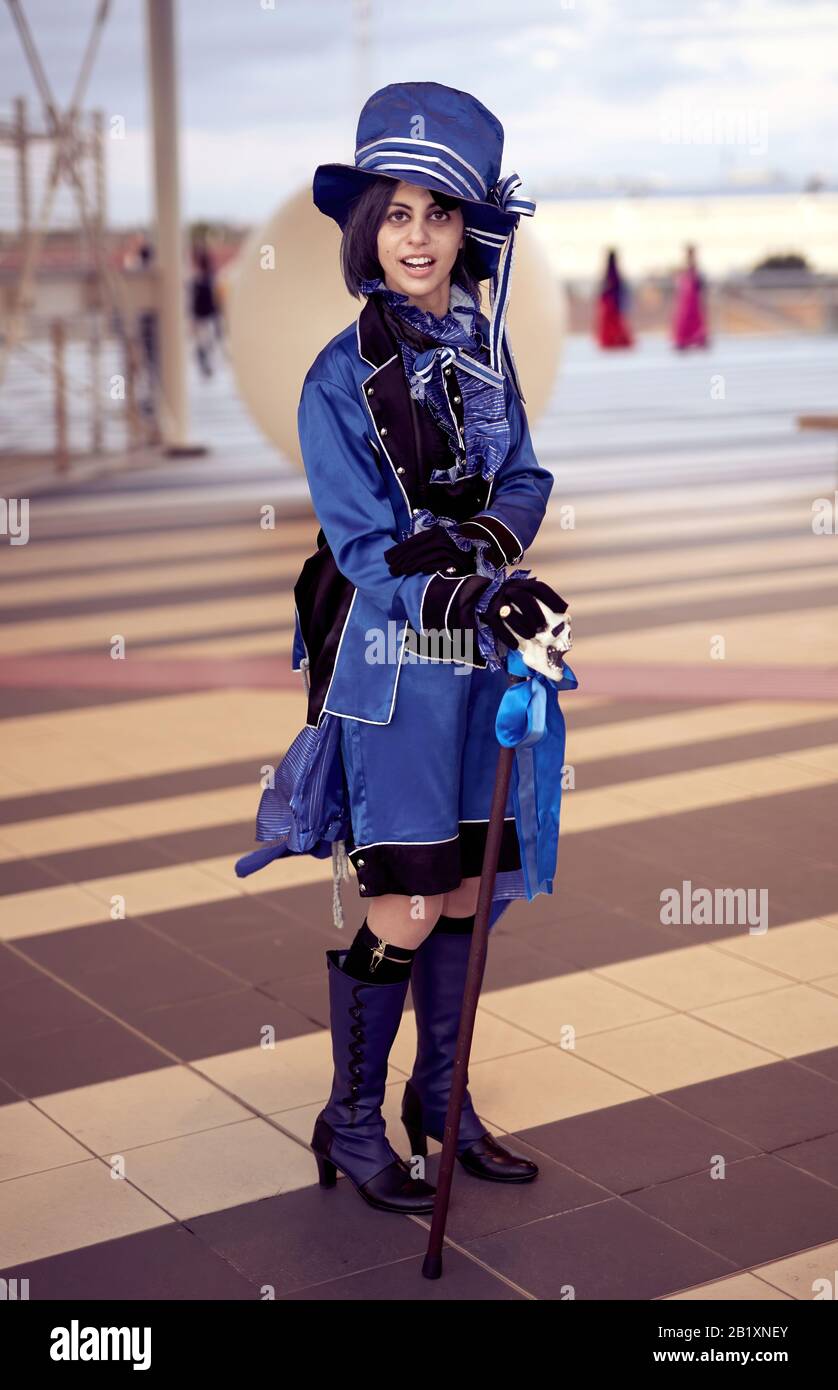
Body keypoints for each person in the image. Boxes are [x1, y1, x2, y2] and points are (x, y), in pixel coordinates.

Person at [236, 81, 577, 1216]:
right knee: (409, 903)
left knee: (476, 896)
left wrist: (494, 557)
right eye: (395, 213)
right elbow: (368, 554)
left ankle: (441, 1104)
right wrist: (473, 595)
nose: (416, 236)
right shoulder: (338, 378)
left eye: (437, 213)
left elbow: (525, 473)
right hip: (393, 676)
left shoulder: (484, 350)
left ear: (465, 231)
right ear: (364, 231)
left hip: (486, 675)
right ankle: (349, 1119)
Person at [190, 238, 219, 376]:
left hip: (205, 317)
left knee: (205, 344)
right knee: (204, 344)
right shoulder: (206, 279)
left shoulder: (202, 279)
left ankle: (206, 366)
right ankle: (206, 367)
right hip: (205, 317)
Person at [672, 244, 709, 350]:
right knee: (686, 316)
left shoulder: (693, 266)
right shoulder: (688, 266)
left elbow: (697, 281)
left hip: (692, 297)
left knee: (692, 316)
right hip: (687, 296)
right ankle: (686, 339)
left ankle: (694, 338)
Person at [595, 248, 633, 349]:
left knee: (612, 323)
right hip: (612, 300)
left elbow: (610, 286)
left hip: (610, 300)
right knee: (614, 322)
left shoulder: (610, 271)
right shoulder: (613, 271)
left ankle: (612, 340)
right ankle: (613, 340)